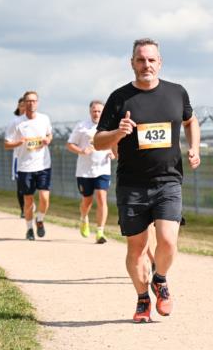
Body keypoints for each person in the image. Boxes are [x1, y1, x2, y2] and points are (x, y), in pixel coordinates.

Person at [94, 38, 201, 323]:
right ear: (132, 63)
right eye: (140, 60)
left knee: (167, 241)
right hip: (132, 184)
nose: (146, 65)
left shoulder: (176, 93)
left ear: (160, 62)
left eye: (151, 60)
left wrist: (194, 148)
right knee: (137, 248)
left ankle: (160, 279)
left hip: (168, 181)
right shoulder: (120, 98)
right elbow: (97, 142)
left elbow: (191, 121)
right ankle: (143, 299)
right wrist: (118, 132)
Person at [4, 90, 53, 241]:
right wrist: (19, 142)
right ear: (24, 104)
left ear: (37, 103)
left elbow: (49, 134)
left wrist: (47, 140)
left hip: (43, 164)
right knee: (28, 200)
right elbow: (6, 144)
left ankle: (40, 219)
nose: (31, 103)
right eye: (28, 101)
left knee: (44, 198)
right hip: (25, 167)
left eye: (34, 101)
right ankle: (29, 228)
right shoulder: (16, 123)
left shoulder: (44, 119)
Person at [68, 99, 115, 243]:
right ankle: (84, 218)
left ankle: (100, 232)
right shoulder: (82, 126)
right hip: (84, 171)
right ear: (90, 112)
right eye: (94, 111)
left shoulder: (109, 125)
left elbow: (115, 142)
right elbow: (70, 144)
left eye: (99, 111)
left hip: (102, 168)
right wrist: (82, 151)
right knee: (87, 201)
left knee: (101, 197)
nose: (97, 113)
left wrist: (112, 152)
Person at [5, 97, 27, 218]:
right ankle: (23, 209)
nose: (24, 107)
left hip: (33, 158)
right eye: (22, 105)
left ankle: (29, 204)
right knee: (20, 186)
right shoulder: (14, 122)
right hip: (18, 157)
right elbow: (8, 141)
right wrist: (19, 142)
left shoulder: (34, 120)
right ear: (18, 106)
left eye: (26, 105)